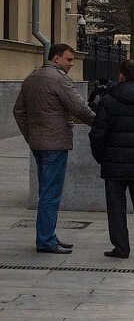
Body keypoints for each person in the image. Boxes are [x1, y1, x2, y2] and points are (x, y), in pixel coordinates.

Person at [13, 43, 97, 254]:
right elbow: (79, 108)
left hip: (38, 144)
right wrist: (101, 123)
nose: (71, 64)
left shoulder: (31, 77)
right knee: (51, 194)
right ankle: (46, 240)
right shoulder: (59, 79)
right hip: (55, 144)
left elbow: (18, 111)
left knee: (45, 192)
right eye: (69, 59)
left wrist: (30, 135)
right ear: (56, 58)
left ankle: (47, 235)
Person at [89, 59, 134, 260]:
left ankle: (121, 248)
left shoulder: (108, 100)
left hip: (113, 165)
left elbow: (97, 134)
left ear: (121, 75)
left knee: (116, 208)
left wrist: (101, 158)